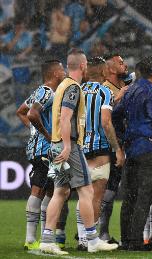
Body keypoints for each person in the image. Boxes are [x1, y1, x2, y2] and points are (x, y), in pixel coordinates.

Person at [39, 48, 118, 255]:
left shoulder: (63, 85)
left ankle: (47, 239)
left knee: (61, 192)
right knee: (87, 191)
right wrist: (67, 145)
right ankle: (92, 239)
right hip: (69, 145)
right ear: (83, 66)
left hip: (56, 143)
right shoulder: (73, 88)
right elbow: (65, 118)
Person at [113, 55, 152, 251]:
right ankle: (136, 241)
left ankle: (126, 240)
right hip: (147, 147)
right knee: (144, 195)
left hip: (131, 148)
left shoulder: (130, 90)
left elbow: (116, 114)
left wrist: (123, 136)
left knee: (130, 197)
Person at [75, 57, 125, 250]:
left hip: (78, 148)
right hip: (99, 149)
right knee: (96, 196)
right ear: (104, 72)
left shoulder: (77, 90)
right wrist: (117, 149)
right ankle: (91, 239)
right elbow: (105, 122)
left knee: (83, 194)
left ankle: (82, 239)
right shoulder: (104, 91)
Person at [16, 60, 66, 250]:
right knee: (39, 189)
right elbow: (31, 114)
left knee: (52, 191)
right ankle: (30, 239)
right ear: (54, 74)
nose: (64, 72)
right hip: (44, 149)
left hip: (42, 147)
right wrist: (47, 134)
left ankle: (46, 237)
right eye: (62, 69)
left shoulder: (39, 91)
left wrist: (34, 131)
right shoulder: (47, 93)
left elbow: (21, 111)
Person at [98, 53, 129, 243]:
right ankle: (96, 233)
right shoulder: (104, 89)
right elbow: (104, 118)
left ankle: (101, 233)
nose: (124, 65)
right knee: (104, 190)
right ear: (110, 69)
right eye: (120, 62)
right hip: (107, 145)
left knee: (111, 190)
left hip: (120, 143)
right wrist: (121, 97)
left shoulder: (122, 87)